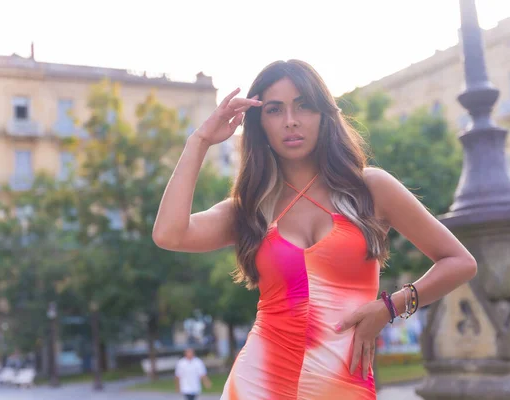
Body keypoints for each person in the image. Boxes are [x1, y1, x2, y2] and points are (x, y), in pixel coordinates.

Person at [153, 59, 478, 399]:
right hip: (258, 384)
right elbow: (169, 234)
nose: (291, 121)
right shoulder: (250, 208)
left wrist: (390, 306)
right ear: (260, 123)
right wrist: (200, 140)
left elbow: (459, 262)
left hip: (342, 386)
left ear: (324, 114)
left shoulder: (369, 189)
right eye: (275, 110)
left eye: (304, 106)